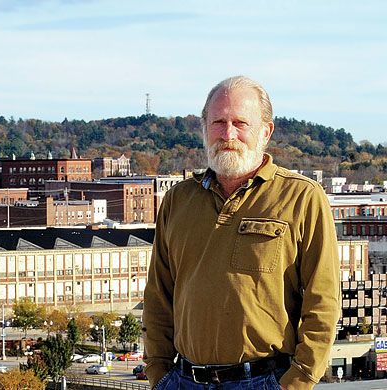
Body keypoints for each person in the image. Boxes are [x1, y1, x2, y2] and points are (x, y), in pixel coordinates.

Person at [143, 76, 340, 390]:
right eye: (219, 122)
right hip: (182, 381)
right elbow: (158, 298)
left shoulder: (301, 197)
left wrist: (298, 381)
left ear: (266, 131)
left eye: (240, 123)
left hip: (263, 381)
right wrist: (158, 373)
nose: (228, 134)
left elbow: (323, 302)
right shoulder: (178, 200)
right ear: (204, 128)